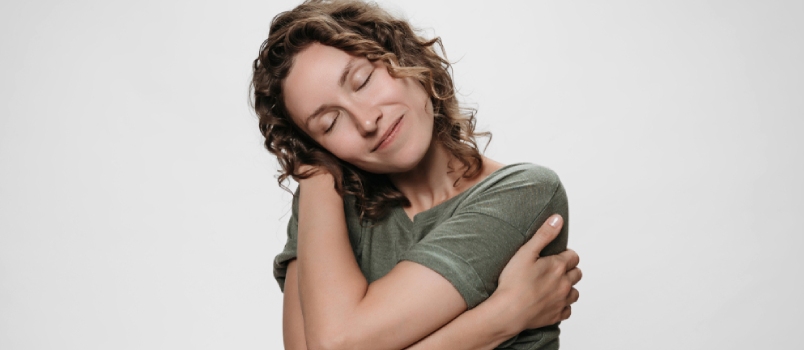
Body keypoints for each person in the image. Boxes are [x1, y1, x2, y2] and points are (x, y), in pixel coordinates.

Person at [251, 1, 582, 349]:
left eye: (362, 81)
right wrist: (501, 318)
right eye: (329, 123)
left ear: (403, 55)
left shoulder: (524, 193)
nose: (366, 121)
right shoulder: (325, 203)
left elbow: (336, 343)